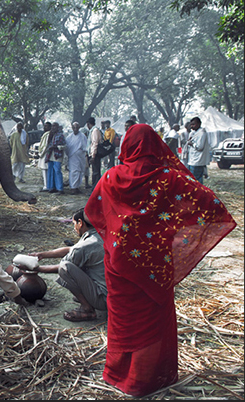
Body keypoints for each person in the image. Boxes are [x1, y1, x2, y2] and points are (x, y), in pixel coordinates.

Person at [84, 123, 236, 397]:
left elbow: (92, 212)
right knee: (151, 319)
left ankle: (119, 374)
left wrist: (118, 235)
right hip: (155, 264)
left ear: (126, 146)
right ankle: (144, 380)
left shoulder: (110, 178)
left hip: (118, 263)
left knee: (123, 319)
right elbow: (212, 205)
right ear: (155, 144)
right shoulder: (169, 178)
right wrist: (173, 232)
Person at [21, 208, 106, 322]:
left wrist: (37, 268)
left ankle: (87, 309)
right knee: (80, 264)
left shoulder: (84, 246)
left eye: (74, 224)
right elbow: (71, 250)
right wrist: (43, 255)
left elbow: (64, 267)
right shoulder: (99, 235)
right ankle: (88, 297)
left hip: (104, 298)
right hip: (116, 294)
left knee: (65, 267)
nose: (74, 228)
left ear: (80, 223)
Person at [65, 122, 88, 195]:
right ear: (72, 128)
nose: (75, 129)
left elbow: (85, 147)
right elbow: (67, 148)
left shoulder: (82, 136)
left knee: (80, 172)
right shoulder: (69, 137)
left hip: (81, 157)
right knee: (73, 172)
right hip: (72, 157)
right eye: (74, 127)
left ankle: (77, 187)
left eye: (76, 127)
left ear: (79, 128)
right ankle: (73, 188)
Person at [186, 117, 211, 185]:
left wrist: (192, 144)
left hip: (197, 160)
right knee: (193, 178)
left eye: (193, 124)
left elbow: (200, 147)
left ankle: (198, 193)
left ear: (199, 124)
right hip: (192, 159)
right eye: (191, 124)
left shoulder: (202, 133)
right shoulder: (194, 133)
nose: (192, 126)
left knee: (196, 179)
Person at [45, 122, 66, 194]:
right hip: (50, 155)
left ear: (58, 127)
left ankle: (60, 189)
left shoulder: (61, 135)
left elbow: (64, 146)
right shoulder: (50, 135)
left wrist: (56, 147)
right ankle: (51, 187)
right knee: (50, 171)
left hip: (57, 155)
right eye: (52, 126)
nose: (53, 128)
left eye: (55, 126)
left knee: (57, 171)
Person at [86, 117, 104, 190]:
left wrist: (93, 156)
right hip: (93, 153)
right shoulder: (93, 130)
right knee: (94, 171)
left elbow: (95, 143)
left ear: (88, 124)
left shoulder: (95, 130)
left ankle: (95, 188)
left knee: (96, 172)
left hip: (95, 154)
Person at [37, 121, 52, 192]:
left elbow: (46, 146)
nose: (44, 127)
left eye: (46, 126)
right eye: (44, 126)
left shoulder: (48, 135)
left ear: (50, 127)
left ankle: (46, 186)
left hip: (45, 154)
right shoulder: (46, 134)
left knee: (45, 171)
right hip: (45, 154)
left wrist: (41, 154)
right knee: (45, 170)